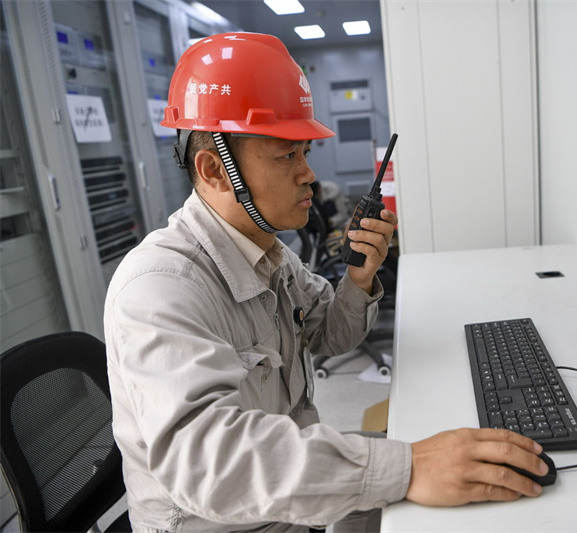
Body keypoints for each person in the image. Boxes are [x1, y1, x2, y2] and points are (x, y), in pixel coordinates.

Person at [104, 32, 550, 533]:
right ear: (215, 171)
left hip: (286, 497)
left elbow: (332, 335)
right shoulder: (159, 288)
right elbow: (212, 465)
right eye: (286, 156)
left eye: (306, 152)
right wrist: (408, 468)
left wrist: (360, 277)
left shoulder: (269, 255)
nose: (309, 175)